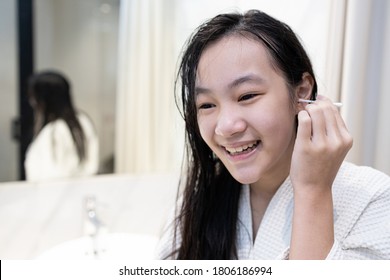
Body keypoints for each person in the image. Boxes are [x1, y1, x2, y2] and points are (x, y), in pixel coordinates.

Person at [157, 10, 390, 259]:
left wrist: (312, 191)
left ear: (301, 91)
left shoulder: (372, 197)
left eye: (247, 96)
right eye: (206, 105)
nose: (225, 126)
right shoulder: (198, 201)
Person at [25, 70, 99, 181]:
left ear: (43, 99)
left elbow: (51, 176)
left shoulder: (54, 131)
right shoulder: (82, 122)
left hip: (55, 194)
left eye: (33, 96)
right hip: (76, 192)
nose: (32, 101)